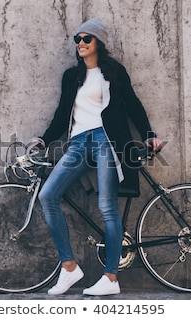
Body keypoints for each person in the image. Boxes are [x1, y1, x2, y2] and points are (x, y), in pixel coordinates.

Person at [29, 18, 163, 296]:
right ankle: (69, 267)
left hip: (106, 141)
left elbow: (133, 105)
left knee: (107, 207)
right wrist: (43, 139)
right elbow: (61, 114)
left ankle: (111, 277)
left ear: (98, 42)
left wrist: (149, 134)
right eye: (77, 39)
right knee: (48, 195)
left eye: (86, 39)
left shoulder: (113, 72)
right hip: (78, 143)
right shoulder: (71, 76)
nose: (80, 43)